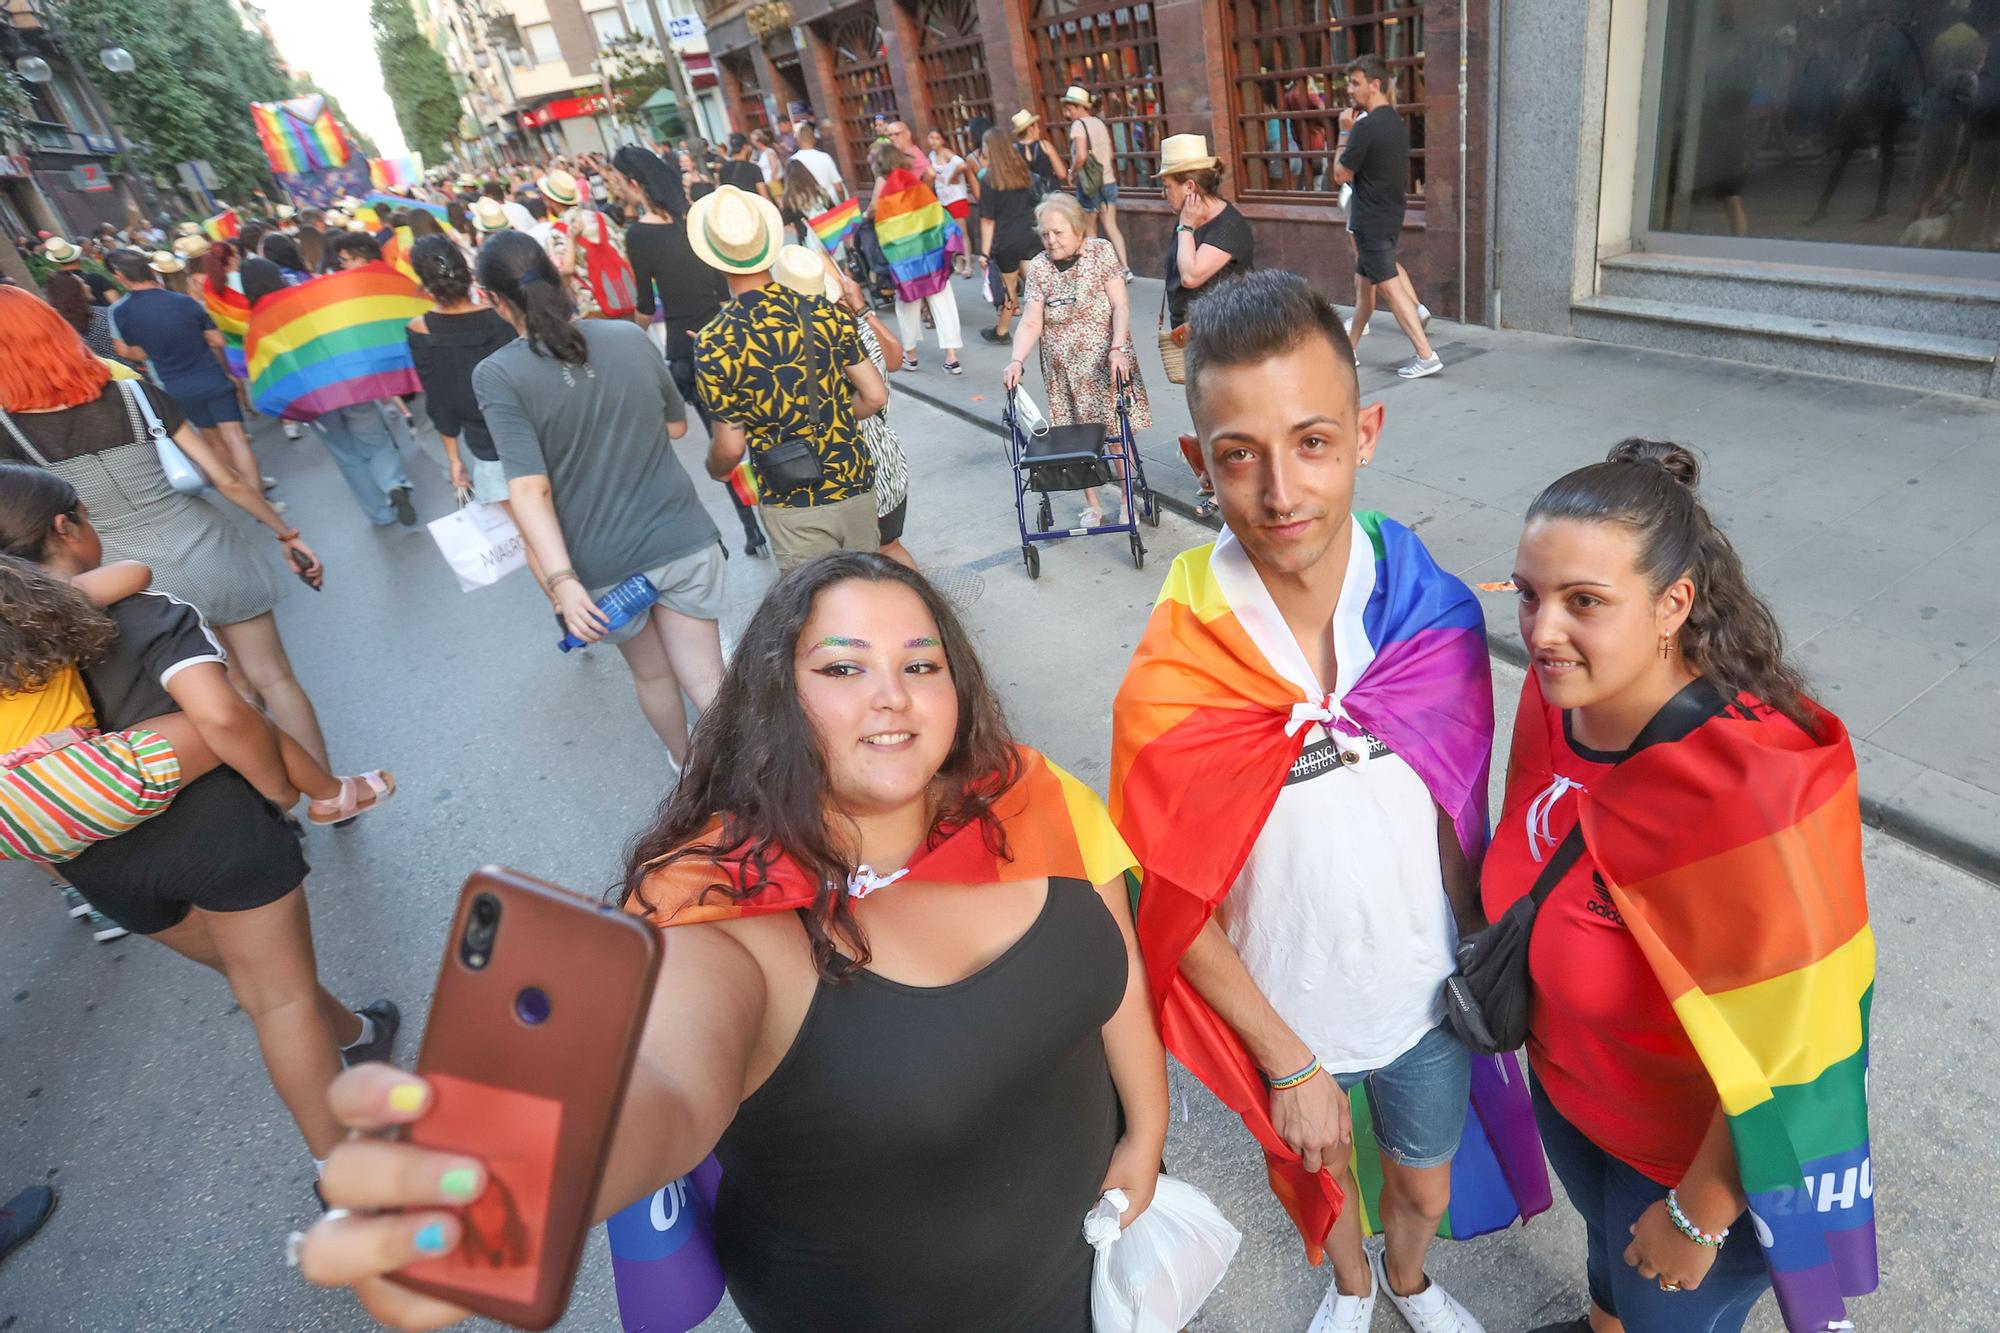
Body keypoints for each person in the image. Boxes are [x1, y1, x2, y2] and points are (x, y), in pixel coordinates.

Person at [298, 553, 1169, 1333]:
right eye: (842, 667)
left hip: (1088, 1272)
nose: (891, 694)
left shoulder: (1026, 791)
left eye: (920, 664)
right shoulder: (720, 905)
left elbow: (1114, 967)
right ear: (776, 698)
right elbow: (666, 1082)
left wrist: (1147, 1133)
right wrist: (519, 1174)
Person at [1113, 272, 1548, 1333]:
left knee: (1423, 1186)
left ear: (1365, 433)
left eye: (1310, 442)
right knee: (1321, 1183)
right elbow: (1170, 900)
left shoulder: (1431, 613)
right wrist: (1286, 1058)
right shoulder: (1173, 677)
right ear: (1196, 465)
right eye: (1238, 455)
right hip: (1285, 1013)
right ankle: (1352, 1287)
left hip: (1424, 1001)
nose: (1279, 491)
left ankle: (1407, 1277)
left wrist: (1485, 945)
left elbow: (1459, 813)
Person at [1493, 440, 1877, 1333]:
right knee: (1604, 1261)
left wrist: (1698, 1212)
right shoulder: (1557, 698)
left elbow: (1805, 1039)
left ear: (1675, 604)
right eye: (1529, 593)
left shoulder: (1753, 788)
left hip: (1690, 1164)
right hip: (1574, 1095)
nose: (1542, 631)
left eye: (1584, 601)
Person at [0, 465, 398, 1175]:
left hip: (101, 866)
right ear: (66, 528)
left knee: (259, 978)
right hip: (216, 839)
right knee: (276, 1001)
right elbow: (221, 715)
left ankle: (359, 1033)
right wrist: (278, 791)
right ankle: (340, 1172)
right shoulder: (144, 611)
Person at [0, 285, 336, 770]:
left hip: (124, 578)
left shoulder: (10, 434)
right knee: (275, 678)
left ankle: (276, 804)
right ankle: (330, 793)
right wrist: (285, 533)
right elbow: (226, 479)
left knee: (221, 694)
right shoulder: (135, 393)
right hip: (207, 545)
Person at [473, 232, 727, 763]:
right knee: (708, 678)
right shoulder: (628, 338)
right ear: (558, 276)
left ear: (495, 299)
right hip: (683, 537)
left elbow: (529, 487)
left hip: (605, 564)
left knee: (653, 674)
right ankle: (764, 787)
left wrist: (561, 582)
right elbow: (678, 427)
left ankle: (689, 774)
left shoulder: (498, 375)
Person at [0, 543, 394, 863]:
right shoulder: (24, 607)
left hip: (13, 827)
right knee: (233, 718)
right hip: (61, 772)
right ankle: (328, 793)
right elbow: (135, 572)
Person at [692, 186, 888, 571]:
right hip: (852, 480)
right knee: (865, 590)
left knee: (813, 610)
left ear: (715, 259)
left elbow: (730, 449)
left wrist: (715, 469)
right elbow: (875, 395)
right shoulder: (823, 311)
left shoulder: (716, 340)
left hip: (791, 498)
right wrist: (835, 416)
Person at [611, 145, 768, 560]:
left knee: (725, 441)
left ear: (633, 183)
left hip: (689, 350)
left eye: (616, 182)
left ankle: (753, 530)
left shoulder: (639, 235)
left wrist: (629, 338)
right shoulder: (695, 216)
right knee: (761, 430)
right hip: (731, 337)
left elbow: (646, 304)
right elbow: (721, 288)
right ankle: (774, 510)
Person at [1002, 194, 1148, 528]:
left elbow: (1120, 306)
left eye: (1058, 233)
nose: (1051, 241)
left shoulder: (1101, 252)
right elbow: (1031, 320)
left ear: (1078, 230)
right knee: (1072, 437)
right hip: (1062, 372)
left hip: (1104, 364)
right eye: (1045, 234)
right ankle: (1092, 505)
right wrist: (1016, 360)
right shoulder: (1039, 266)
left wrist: (1117, 348)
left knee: (1114, 434)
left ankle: (1128, 500)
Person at [240, 258, 418, 530]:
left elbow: (265, 371)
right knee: (375, 440)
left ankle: (380, 513)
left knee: (346, 455)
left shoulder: (258, 322)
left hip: (313, 399)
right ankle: (394, 483)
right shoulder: (304, 297)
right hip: (350, 382)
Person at [775, 246, 913, 567]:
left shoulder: (812, 339)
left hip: (852, 471)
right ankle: (923, 611)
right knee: (890, 548)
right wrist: (862, 307)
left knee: (864, 563)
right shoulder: (859, 326)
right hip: (888, 461)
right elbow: (895, 358)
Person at [1336, 55, 1441, 380]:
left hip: (1369, 219)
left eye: (1355, 83)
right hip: (1389, 212)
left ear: (1375, 83)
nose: (1351, 90)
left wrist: (1343, 133)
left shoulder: (1365, 126)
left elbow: (1340, 173)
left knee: (1388, 288)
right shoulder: (1395, 122)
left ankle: (1425, 355)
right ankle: (1348, 351)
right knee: (1363, 287)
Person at [404, 237, 519, 519]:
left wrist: (454, 459)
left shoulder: (421, 330)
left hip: (485, 442)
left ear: (424, 281)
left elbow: (438, 399)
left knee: (529, 533)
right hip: (530, 427)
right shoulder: (503, 314)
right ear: (467, 272)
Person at [867, 141, 964, 375]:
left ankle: (911, 355)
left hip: (905, 262)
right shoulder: (916, 185)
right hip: (931, 257)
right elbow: (936, 214)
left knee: (907, 304)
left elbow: (881, 224)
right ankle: (951, 358)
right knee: (943, 301)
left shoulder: (887, 189)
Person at [1159, 134, 1254, 333]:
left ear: (1189, 187)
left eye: (1167, 186)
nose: (1163, 194)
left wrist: (1185, 228)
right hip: (1191, 333)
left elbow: (1190, 277)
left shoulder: (1228, 226)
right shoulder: (1188, 216)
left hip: (1224, 337)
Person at [976, 127, 1042, 344]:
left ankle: (1002, 331)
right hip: (1030, 234)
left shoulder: (988, 179)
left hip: (1006, 240)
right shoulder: (1022, 171)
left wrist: (984, 254)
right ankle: (1054, 323)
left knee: (1008, 288)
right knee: (1037, 286)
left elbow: (987, 220)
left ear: (991, 148)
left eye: (984, 145)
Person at [1060, 86, 1132, 276]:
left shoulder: (1078, 125)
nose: (1067, 113)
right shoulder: (1099, 123)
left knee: (1090, 230)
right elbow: (1111, 155)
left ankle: (1098, 271)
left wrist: (1072, 172)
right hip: (1108, 180)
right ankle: (1125, 268)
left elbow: (1081, 156)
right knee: (1111, 226)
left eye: (1068, 108)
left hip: (1089, 185)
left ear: (1077, 107)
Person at [43, 268, 122, 362]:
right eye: (83, 283)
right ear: (75, 290)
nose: (88, 286)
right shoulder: (104, 315)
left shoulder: (56, 325)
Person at [928, 128, 978, 276]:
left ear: (942, 140)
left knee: (962, 231)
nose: (933, 141)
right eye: (931, 138)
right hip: (943, 197)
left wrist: (951, 177)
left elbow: (962, 164)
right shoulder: (931, 155)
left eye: (936, 138)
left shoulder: (947, 153)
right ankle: (959, 261)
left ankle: (968, 263)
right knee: (950, 231)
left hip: (956, 196)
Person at [1010, 109, 1068, 198]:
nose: (1039, 130)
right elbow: (1062, 174)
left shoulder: (1012, 150)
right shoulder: (1045, 145)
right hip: (1051, 195)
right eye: (1037, 127)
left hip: (1027, 198)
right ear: (1030, 129)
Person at [790, 120, 845, 199]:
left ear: (798, 141)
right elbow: (838, 188)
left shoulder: (792, 161)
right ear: (814, 139)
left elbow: (793, 191)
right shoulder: (825, 157)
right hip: (830, 202)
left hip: (808, 205)